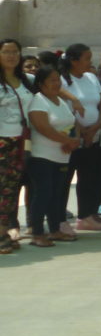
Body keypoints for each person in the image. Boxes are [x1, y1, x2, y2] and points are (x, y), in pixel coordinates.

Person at [26, 66, 79, 247]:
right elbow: (43, 128)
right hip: (42, 156)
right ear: (41, 84)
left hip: (62, 156)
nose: (57, 83)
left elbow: (71, 123)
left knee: (57, 194)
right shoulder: (38, 101)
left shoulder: (60, 101)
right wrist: (68, 141)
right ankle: (37, 232)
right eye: (52, 80)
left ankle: (55, 229)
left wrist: (73, 140)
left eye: (58, 79)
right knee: (43, 193)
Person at [60, 44, 101, 233]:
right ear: (74, 60)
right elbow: (64, 108)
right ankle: (60, 219)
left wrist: (95, 126)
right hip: (72, 139)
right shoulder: (63, 81)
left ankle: (86, 216)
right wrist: (81, 130)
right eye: (87, 58)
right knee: (65, 180)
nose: (90, 62)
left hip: (93, 137)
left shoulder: (90, 77)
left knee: (89, 178)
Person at [0, 39, 34, 254]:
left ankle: (4, 230)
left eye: (15, 52)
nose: (11, 56)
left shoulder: (27, 80)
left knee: (11, 189)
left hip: (21, 140)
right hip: (1, 140)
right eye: (6, 52)